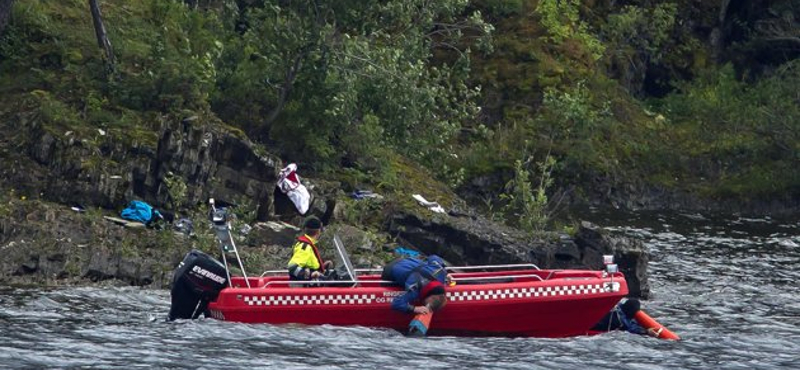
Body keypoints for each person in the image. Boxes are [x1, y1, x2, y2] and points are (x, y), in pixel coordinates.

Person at [381, 255, 452, 316]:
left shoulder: (440, 272)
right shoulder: (414, 290)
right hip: (390, 269)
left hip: (406, 260)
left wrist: (445, 273)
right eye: (428, 305)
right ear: (431, 298)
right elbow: (396, 303)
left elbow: (433, 257)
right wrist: (415, 309)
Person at [287, 216, 333, 281]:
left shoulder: (307, 244)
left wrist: (323, 266)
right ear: (318, 232)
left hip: (310, 284)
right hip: (304, 287)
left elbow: (309, 264)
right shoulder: (305, 247)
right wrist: (311, 274)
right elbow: (292, 267)